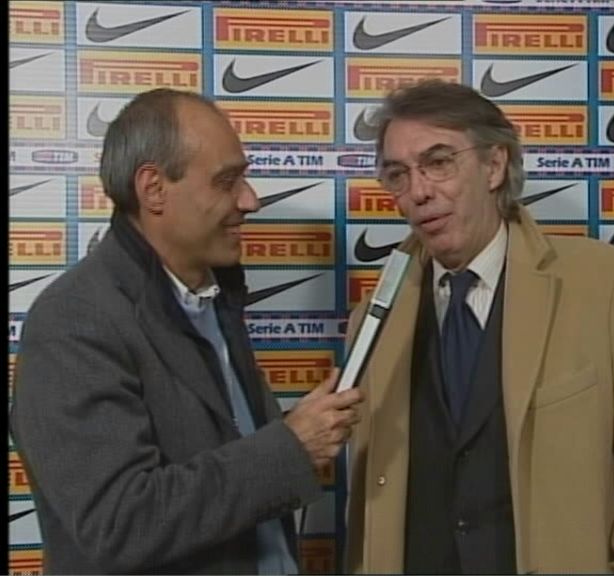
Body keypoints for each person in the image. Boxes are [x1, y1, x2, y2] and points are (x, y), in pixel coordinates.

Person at [344, 79, 614, 574]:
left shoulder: (605, 284)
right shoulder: (373, 321)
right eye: (398, 174)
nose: (418, 192)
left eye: (438, 163)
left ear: (494, 165)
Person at [10, 88, 363, 575]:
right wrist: (291, 447)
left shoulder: (214, 297)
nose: (250, 200)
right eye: (226, 181)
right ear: (153, 189)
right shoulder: (74, 322)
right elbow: (120, 523)